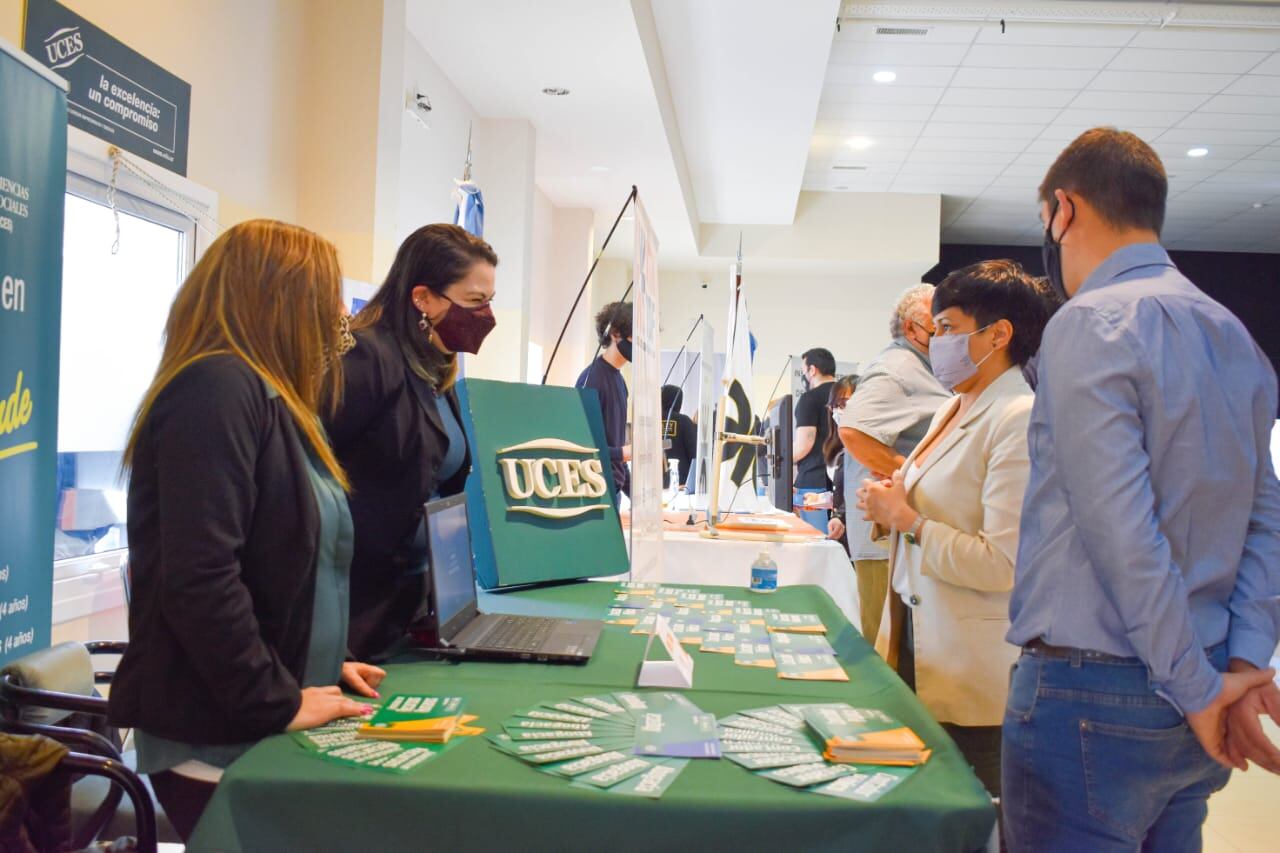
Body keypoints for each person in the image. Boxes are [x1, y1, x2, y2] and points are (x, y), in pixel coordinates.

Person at [1003, 127, 1280, 852]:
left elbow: (1124, 532)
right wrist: (1242, 668)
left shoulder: (1089, 324)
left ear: (1063, 209)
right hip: (1204, 688)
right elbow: (1265, 518)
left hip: (1097, 694)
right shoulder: (1234, 334)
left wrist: (1195, 686)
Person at [107, 221, 384, 838]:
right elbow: (201, 578)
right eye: (328, 297)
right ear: (282, 300)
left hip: (254, 710)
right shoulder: (216, 388)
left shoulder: (270, 399)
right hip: (216, 731)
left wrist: (319, 655)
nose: (341, 316)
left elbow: (279, 561)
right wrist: (276, 698)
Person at [857, 260, 1052, 798]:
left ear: (999, 334)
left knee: (967, 809)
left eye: (947, 328)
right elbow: (928, 501)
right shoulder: (957, 405)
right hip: (919, 640)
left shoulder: (1016, 415)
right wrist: (889, 506)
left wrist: (908, 519)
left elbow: (1001, 564)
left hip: (970, 663)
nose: (935, 342)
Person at [326, 223, 497, 661]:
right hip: (358, 615)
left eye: (489, 301)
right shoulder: (365, 358)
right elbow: (313, 473)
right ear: (422, 297)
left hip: (419, 605)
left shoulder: (437, 368)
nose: (486, 316)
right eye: (475, 302)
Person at [838, 285, 950, 642]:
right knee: (884, 645)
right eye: (942, 326)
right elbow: (854, 431)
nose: (950, 335)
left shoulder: (925, 369)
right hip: (884, 542)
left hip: (904, 534)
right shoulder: (897, 368)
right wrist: (910, 473)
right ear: (913, 328)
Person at [577, 302, 632, 496]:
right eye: (636, 338)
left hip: (612, 491)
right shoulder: (591, 379)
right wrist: (623, 453)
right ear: (615, 333)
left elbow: (615, 446)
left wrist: (638, 497)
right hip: (594, 491)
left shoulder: (620, 381)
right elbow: (581, 445)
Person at [793, 348, 837, 530]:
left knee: (816, 543)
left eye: (804, 371)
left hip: (813, 484)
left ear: (812, 370)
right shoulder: (847, 395)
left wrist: (780, 460)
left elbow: (804, 444)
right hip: (841, 482)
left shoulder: (809, 399)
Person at [823, 375, 858, 553]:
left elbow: (859, 488)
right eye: (835, 405)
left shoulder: (865, 446)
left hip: (857, 531)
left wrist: (840, 516)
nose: (838, 411)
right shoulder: (834, 446)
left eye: (844, 403)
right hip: (840, 530)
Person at [661, 384, 696, 490]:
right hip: (681, 483)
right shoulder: (685, 422)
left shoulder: (651, 420)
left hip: (654, 483)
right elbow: (694, 453)